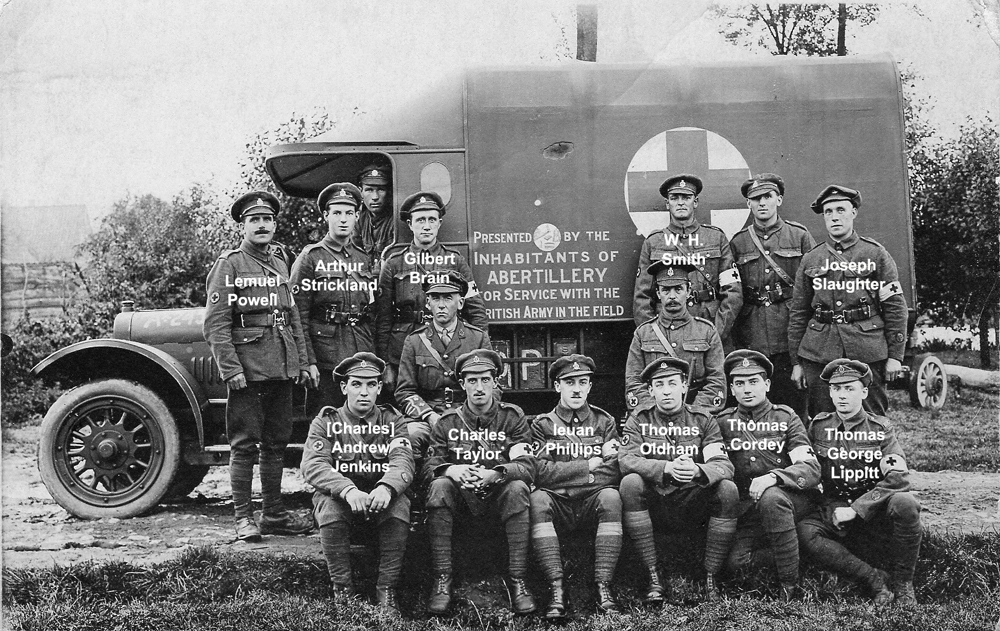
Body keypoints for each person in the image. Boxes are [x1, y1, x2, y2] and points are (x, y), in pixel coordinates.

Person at [203, 191, 313, 541]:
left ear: (275, 224)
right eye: (255, 220)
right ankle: (242, 518)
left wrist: (303, 361)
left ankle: (274, 515)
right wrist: (231, 369)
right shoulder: (230, 264)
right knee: (244, 444)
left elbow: (291, 315)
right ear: (243, 225)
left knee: (277, 442)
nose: (262, 225)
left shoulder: (281, 261)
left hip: (281, 367)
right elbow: (216, 324)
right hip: (248, 371)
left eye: (267, 219)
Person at [796, 359, 921, 605]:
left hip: (874, 508)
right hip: (835, 507)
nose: (842, 396)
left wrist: (857, 509)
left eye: (850, 388)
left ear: (864, 392)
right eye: (836, 389)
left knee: (906, 503)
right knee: (806, 532)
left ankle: (903, 583)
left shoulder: (881, 428)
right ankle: (873, 578)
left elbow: (899, 477)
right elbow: (809, 469)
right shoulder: (819, 426)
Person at [421, 349, 536, 616]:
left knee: (518, 487)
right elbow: (427, 468)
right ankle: (442, 580)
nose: (479, 387)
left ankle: (518, 580)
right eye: (472, 381)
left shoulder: (512, 417)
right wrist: (451, 469)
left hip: (498, 501)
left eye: (485, 379)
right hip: (461, 505)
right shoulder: (447, 422)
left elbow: (528, 466)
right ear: (462, 384)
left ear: (495, 381)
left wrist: (496, 473)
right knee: (439, 485)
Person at [300, 352, 414, 615]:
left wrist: (386, 487)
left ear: (379, 388)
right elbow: (314, 464)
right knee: (328, 508)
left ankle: (387, 591)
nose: (364, 392)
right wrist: (347, 490)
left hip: (380, 502)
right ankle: (343, 592)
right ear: (343, 387)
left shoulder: (392, 420)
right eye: (356, 384)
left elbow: (403, 460)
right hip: (342, 503)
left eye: (371, 384)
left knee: (400, 506)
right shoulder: (326, 421)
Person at [618, 357, 738, 604]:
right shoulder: (639, 419)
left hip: (692, 500)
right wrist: (666, 468)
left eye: (672, 383)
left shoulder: (702, 420)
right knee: (630, 483)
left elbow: (723, 465)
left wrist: (697, 471)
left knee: (727, 489)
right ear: (650, 390)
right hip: (655, 499)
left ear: (684, 386)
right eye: (659, 385)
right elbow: (627, 459)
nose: (666, 391)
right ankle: (652, 575)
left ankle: (711, 575)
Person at [788, 184, 907, 418]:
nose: (834, 217)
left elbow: (895, 307)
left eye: (841, 210)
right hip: (819, 353)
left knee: (872, 418)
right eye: (828, 212)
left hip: (866, 351)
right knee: (823, 421)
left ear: (853, 212)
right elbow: (799, 312)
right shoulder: (812, 258)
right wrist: (796, 362)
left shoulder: (875, 255)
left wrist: (895, 356)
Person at [715, 349, 821, 601]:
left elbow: (809, 466)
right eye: (739, 383)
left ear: (768, 384)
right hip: (747, 510)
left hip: (790, 501)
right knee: (737, 563)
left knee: (772, 497)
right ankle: (797, 552)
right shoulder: (722, 422)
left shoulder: (785, 417)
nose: (747, 389)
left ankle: (789, 586)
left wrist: (773, 477)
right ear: (731, 389)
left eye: (754, 382)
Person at [527, 355, 623, 618]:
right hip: (557, 503)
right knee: (537, 500)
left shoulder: (605, 422)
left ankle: (604, 586)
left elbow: (614, 470)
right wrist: (587, 468)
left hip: (591, 500)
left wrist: (566, 477)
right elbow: (540, 472)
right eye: (569, 382)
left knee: (612, 497)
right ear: (557, 386)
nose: (577, 388)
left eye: (583, 382)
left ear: (590, 386)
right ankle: (556, 588)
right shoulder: (542, 425)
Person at [375, 191, 488, 392]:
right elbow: (383, 319)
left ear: (439, 223)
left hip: (448, 346)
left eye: (431, 220)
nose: (426, 226)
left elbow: (476, 310)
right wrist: (386, 364)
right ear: (410, 224)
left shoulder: (455, 261)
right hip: (404, 349)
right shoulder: (394, 264)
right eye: (420, 220)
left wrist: (481, 359)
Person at [729, 174, 815, 420]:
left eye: (767, 197)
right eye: (755, 199)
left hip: (789, 332)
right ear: (749, 204)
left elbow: (814, 286)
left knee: (794, 407)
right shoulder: (739, 242)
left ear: (779, 199)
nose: (762, 203)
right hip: (752, 333)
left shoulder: (798, 236)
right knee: (756, 409)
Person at [290, 182, 377, 412]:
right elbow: (297, 315)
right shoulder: (310, 257)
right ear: (326, 216)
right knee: (328, 424)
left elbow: (372, 308)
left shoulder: (363, 258)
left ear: (357, 216)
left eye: (349, 213)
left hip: (361, 350)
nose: (343, 219)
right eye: (337, 213)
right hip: (326, 356)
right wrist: (307, 361)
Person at [633, 174, 742, 350]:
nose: (681, 202)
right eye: (675, 198)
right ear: (667, 204)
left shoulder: (716, 238)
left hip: (710, 323)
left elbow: (733, 292)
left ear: (696, 202)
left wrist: (716, 333)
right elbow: (642, 298)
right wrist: (657, 339)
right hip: (668, 328)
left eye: (686, 197)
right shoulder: (653, 242)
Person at [395, 271, 491, 461]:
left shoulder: (478, 338)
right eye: (435, 298)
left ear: (461, 303)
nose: (441, 304)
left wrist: (471, 415)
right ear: (427, 303)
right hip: (427, 415)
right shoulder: (414, 341)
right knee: (410, 436)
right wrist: (429, 416)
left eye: (448, 298)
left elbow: (493, 388)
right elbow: (404, 392)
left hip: (468, 413)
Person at [625, 261, 726, 414]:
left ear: (689, 291)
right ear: (658, 293)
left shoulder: (707, 332)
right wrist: (656, 412)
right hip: (655, 418)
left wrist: (693, 413)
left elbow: (717, 381)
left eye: (678, 289)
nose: (672, 296)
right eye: (665, 290)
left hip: (698, 417)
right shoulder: (643, 333)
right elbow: (633, 382)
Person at [352, 163, 395, 276]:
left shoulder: (395, 221)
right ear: (361, 192)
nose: (375, 197)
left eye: (381, 189)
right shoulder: (358, 220)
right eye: (369, 190)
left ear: (389, 192)